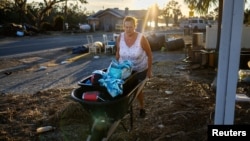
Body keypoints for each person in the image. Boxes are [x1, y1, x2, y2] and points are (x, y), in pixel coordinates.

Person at [115, 16, 153, 118]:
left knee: (137, 90)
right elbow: (118, 53)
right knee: (123, 89)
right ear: (123, 27)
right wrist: (115, 67)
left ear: (135, 26)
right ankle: (124, 108)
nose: (128, 29)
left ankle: (142, 107)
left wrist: (149, 71)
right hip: (124, 69)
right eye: (126, 27)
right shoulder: (120, 37)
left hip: (139, 69)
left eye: (131, 27)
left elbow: (149, 54)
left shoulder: (142, 38)